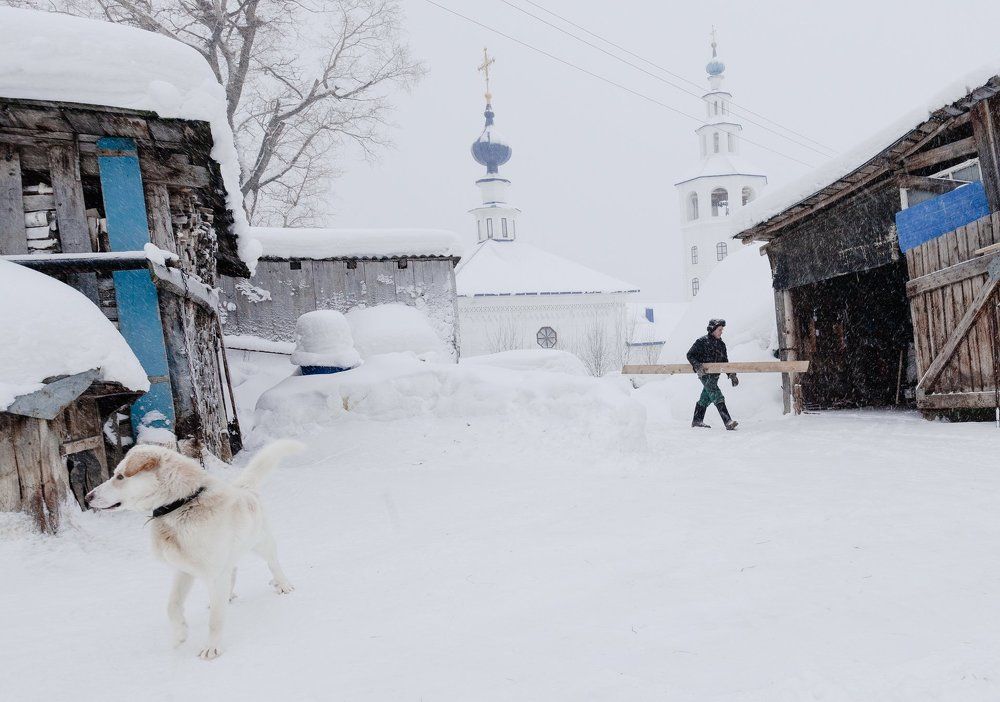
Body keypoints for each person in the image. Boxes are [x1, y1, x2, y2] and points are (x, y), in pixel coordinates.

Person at [686, 319, 739, 430]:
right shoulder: (701, 342)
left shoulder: (721, 345)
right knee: (716, 394)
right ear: (713, 330)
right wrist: (697, 366)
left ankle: (697, 420)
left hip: (715, 376)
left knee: (706, 397)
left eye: (722, 330)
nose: (721, 332)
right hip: (704, 375)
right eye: (719, 330)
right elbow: (690, 355)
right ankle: (727, 421)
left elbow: (724, 362)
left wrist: (731, 375)